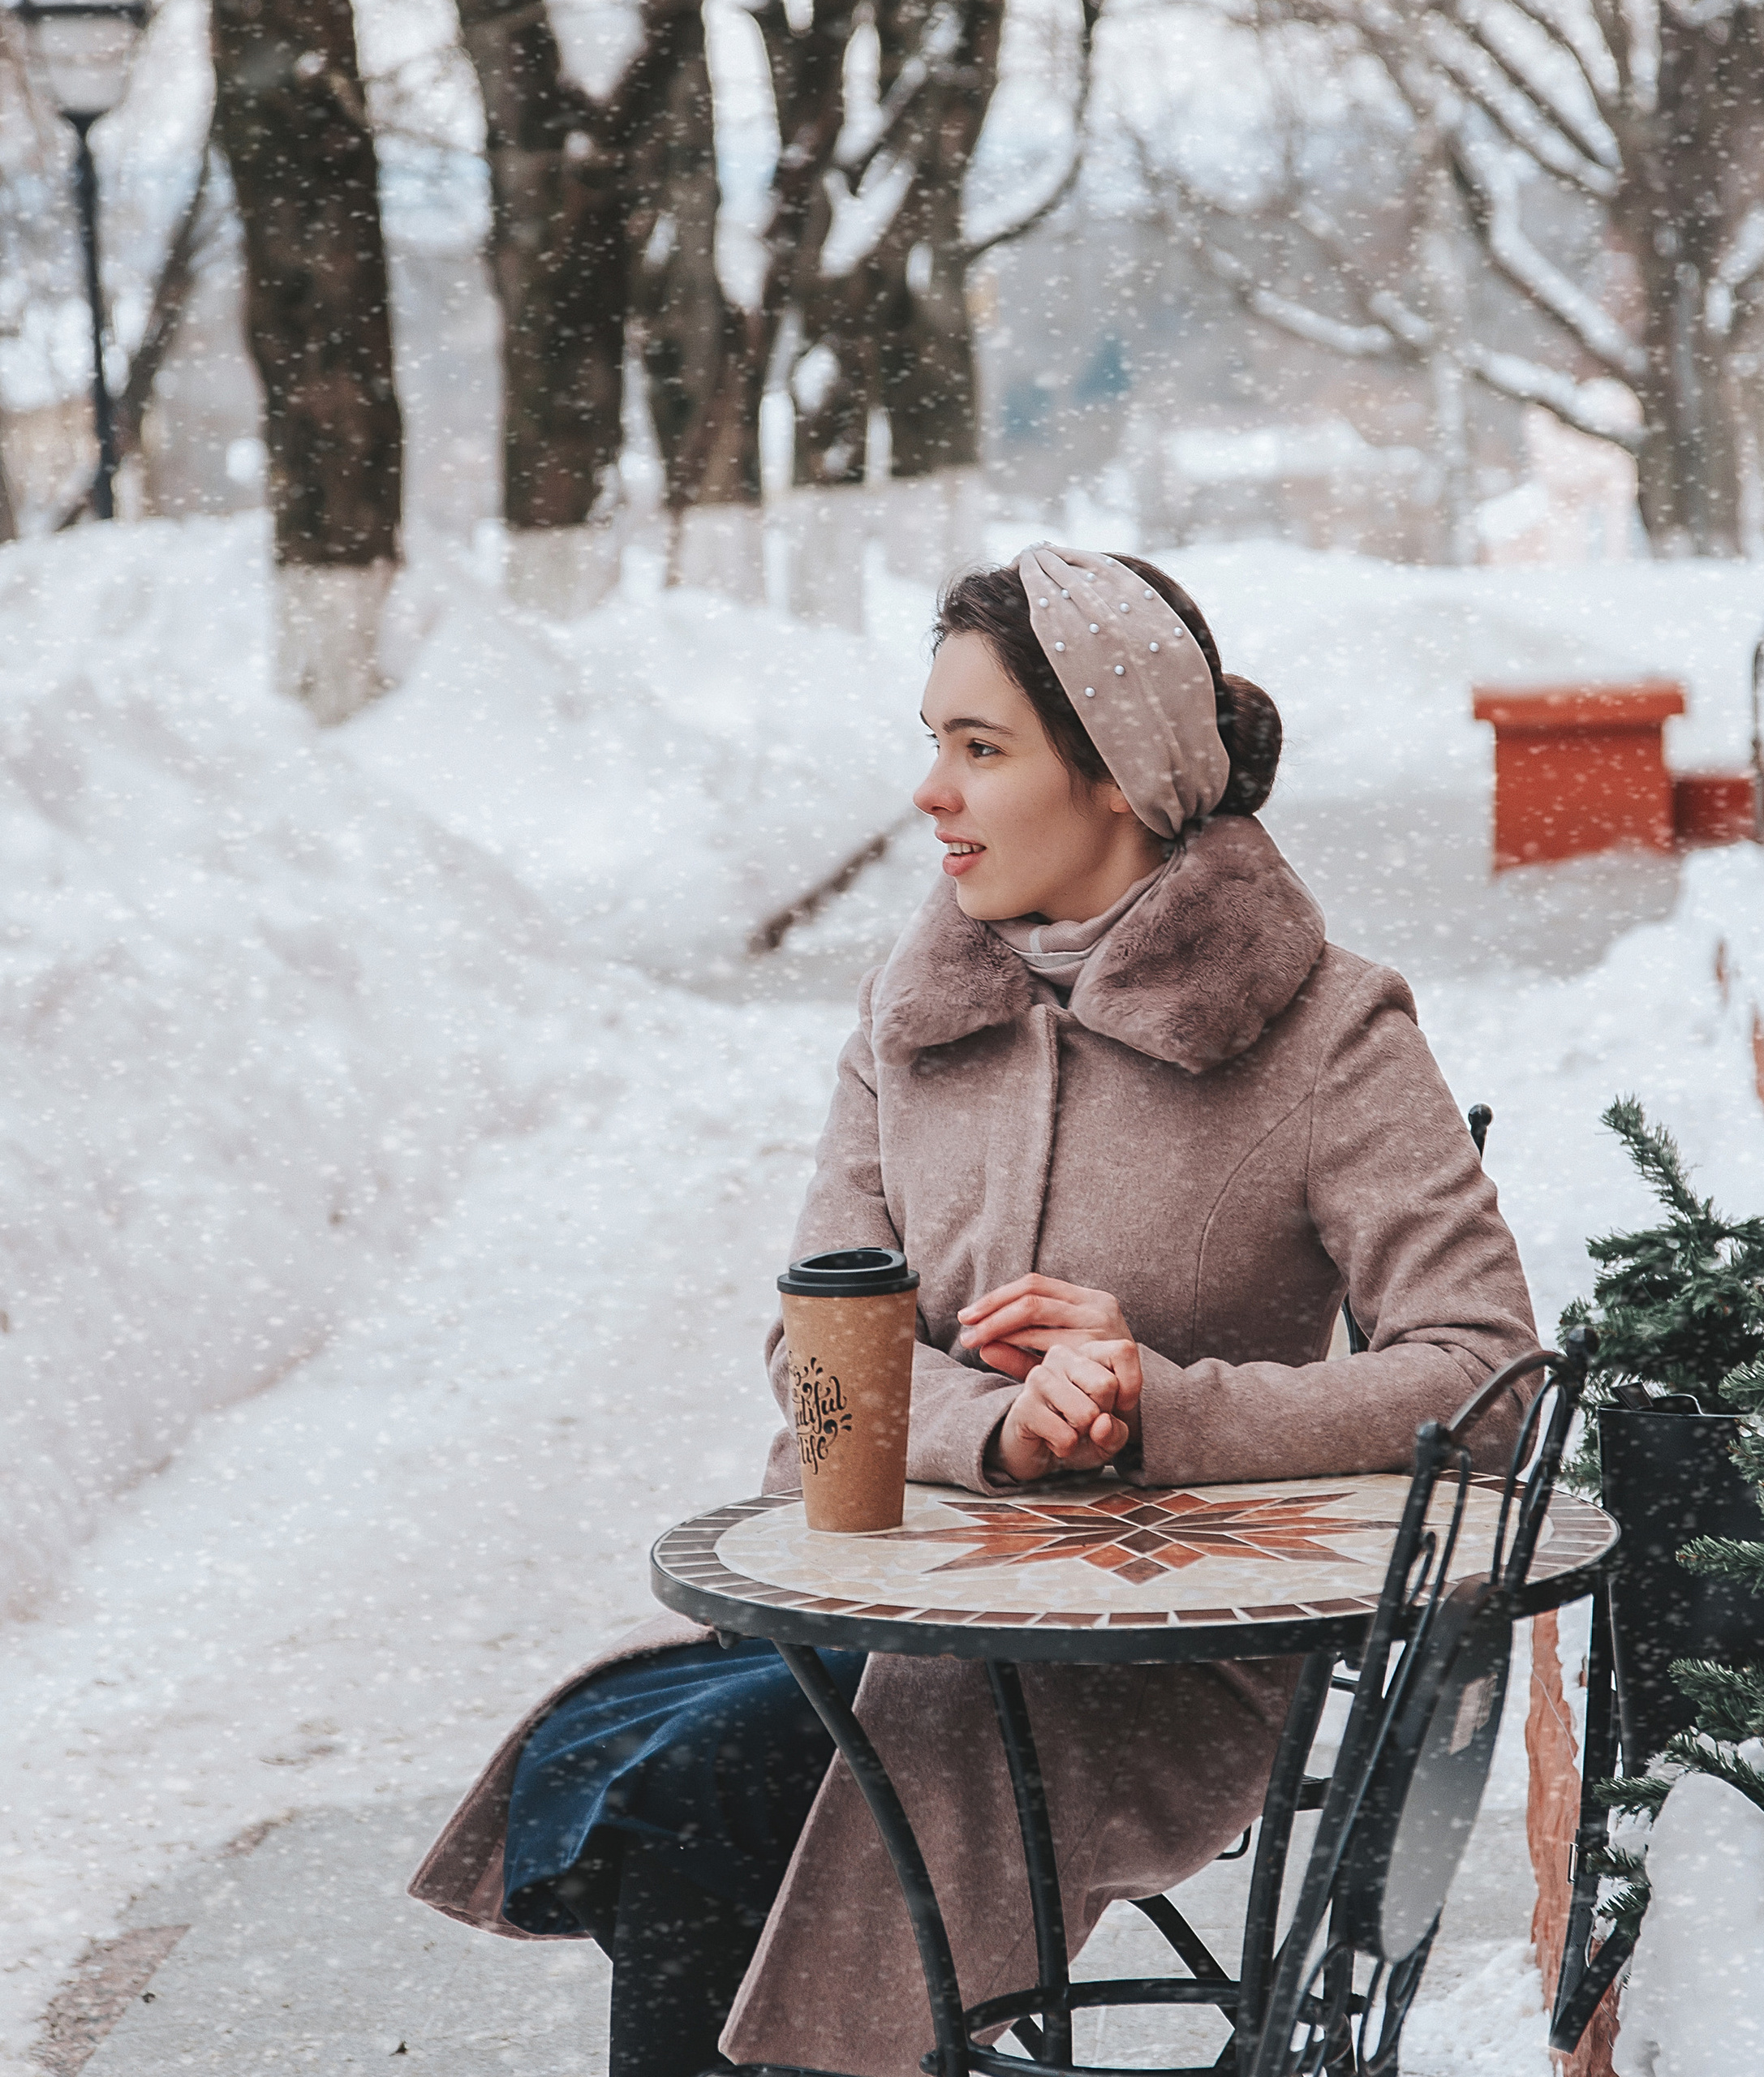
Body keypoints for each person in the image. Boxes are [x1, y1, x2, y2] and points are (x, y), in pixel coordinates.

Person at [410, 545, 1537, 2076]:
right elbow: (818, 1361)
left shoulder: (1328, 1027)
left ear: (1121, 778)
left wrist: (1158, 1400)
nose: (931, 792)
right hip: (898, 1610)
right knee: (663, 1783)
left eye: (980, 748)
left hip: (1154, 1655)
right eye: (930, 742)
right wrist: (1002, 1429)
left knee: (734, 1799)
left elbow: (1487, 1378)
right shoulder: (912, 1014)